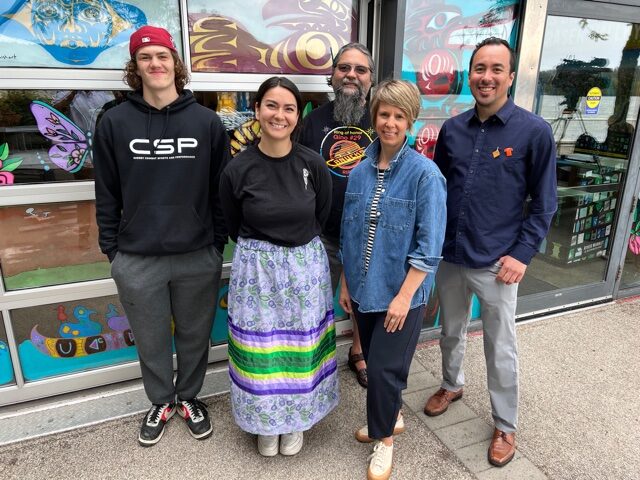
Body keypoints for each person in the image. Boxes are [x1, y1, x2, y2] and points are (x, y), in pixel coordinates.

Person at [424, 37, 557, 467]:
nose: (486, 77)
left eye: (496, 69)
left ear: (510, 76)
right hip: (450, 253)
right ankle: (452, 383)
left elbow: (545, 202)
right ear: (471, 74)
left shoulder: (534, 131)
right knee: (450, 332)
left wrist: (522, 253)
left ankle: (505, 424)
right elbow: (438, 190)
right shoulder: (453, 130)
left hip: (500, 262)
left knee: (501, 347)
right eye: (480, 68)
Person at [94, 25, 229, 447]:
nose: (155, 64)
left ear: (176, 63)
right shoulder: (113, 123)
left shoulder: (207, 123)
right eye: (145, 58)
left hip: (196, 253)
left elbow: (219, 190)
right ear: (135, 67)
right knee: (151, 340)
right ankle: (161, 401)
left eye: (162, 56)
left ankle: (189, 397)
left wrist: (215, 242)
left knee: (194, 336)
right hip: (136, 257)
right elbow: (106, 191)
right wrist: (112, 249)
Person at [219, 76, 338, 457]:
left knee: (299, 348)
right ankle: (264, 424)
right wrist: (265, 253)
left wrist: (294, 252)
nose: (279, 115)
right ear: (256, 110)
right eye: (271, 105)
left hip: (304, 270)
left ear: (297, 116)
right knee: (262, 352)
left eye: (289, 108)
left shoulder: (312, 163)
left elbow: (321, 214)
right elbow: (231, 222)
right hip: (256, 271)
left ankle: (296, 420)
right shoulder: (238, 169)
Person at [339, 79, 446, 480]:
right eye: (384, 114)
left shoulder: (425, 175)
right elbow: (350, 234)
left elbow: (429, 246)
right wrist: (347, 283)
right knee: (377, 364)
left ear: (410, 120)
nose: (390, 122)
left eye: (399, 115)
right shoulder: (360, 172)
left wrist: (404, 297)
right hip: (364, 288)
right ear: (374, 117)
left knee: (384, 370)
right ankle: (388, 418)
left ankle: (384, 441)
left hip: (402, 293)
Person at [300, 42, 376, 388]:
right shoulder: (312, 122)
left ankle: (358, 351)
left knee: (364, 300)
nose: (351, 75)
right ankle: (316, 360)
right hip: (323, 234)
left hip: (370, 232)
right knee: (317, 302)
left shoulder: (383, 118)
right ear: (332, 75)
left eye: (360, 70)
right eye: (344, 68)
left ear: (370, 79)